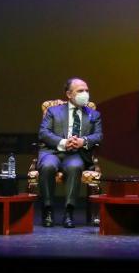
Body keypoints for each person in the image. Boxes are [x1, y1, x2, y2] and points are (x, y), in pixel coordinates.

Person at [38, 77, 102, 228]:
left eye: (86, 90)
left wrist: (83, 141)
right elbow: (43, 133)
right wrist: (64, 143)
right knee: (47, 167)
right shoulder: (53, 111)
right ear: (69, 94)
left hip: (75, 154)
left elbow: (98, 135)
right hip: (52, 152)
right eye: (80, 91)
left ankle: (69, 212)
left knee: (75, 167)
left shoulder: (94, 114)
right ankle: (48, 210)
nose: (85, 94)